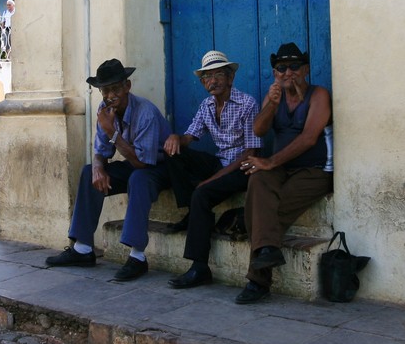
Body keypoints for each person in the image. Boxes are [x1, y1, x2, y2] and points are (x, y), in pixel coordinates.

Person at [45, 58, 171, 281]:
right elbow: (101, 152)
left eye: (115, 89)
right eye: (105, 90)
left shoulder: (146, 113)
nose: (110, 96)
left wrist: (111, 131)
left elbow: (143, 163)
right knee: (88, 172)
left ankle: (137, 257)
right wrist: (97, 168)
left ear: (127, 86)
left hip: (160, 168)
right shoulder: (105, 110)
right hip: (134, 163)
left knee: (139, 179)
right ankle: (82, 249)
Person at [233, 42, 333, 304]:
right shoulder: (274, 96)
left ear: (306, 69)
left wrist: (270, 161)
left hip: (314, 171)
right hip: (281, 168)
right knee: (257, 178)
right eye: (281, 68)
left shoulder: (318, 95)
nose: (288, 72)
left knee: (264, 213)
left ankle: (258, 281)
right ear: (275, 73)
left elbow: (309, 138)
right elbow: (258, 130)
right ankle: (267, 251)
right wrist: (271, 105)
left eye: (294, 66)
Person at [163, 50, 261, 289]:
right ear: (202, 82)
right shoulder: (206, 105)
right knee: (172, 152)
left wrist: (211, 180)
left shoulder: (247, 103)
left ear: (230, 78)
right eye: (207, 76)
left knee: (203, 193)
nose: (213, 81)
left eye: (218, 75)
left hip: (242, 168)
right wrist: (176, 138)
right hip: (220, 162)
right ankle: (192, 211)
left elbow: (251, 153)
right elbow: (190, 136)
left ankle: (199, 267)